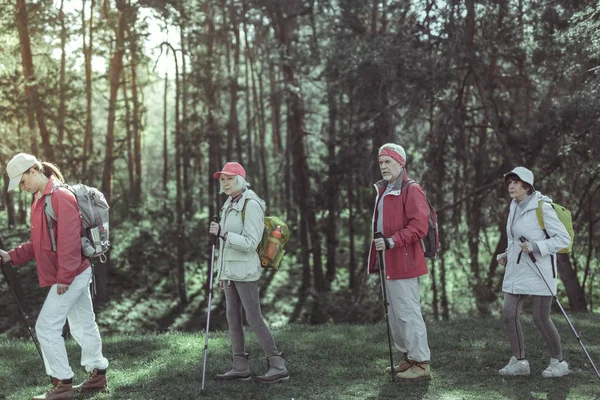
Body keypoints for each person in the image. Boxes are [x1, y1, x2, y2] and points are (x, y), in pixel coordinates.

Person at [0, 153, 109, 400]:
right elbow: (39, 243)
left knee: (46, 327)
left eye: (22, 181)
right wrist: (12, 256)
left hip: (72, 273)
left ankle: (62, 384)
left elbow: (69, 241)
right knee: (83, 325)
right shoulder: (40, 199)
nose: (22, 187)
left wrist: (64, 277)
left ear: (33, 170)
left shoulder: (60, 196)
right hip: (75, 273)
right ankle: (98, 373)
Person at [208, 162, 289, 384]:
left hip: (245, 271)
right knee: (232, 318)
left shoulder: (251, 204)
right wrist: (221, 274)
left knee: (253, 317)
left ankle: (277, 364)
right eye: (222, 179)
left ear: (241, 180)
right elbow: (225, 247)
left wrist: (223, 233)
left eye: (230, 179)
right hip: (230, 271)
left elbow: (251, 243)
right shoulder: (229, 203)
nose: (225, 183)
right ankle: (240, 366)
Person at [496, 167, 571, 378]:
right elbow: (516, 240)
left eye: (516, 182)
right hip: (517, 270)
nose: (511, 186)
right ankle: (520, 362)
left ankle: (559, 362)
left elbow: (563, 239)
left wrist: (536, 246)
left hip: (540, 270)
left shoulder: (543, 208)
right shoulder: (514, 206)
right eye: (509, 182)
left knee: (540, 317)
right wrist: (506, 254)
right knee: (509, 314)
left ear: (527, 186)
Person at [367, 143, 432, 381]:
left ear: (400, 163)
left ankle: (422, 363)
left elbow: (419, 227)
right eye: (381, 162)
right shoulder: (385, 189)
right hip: (388, 261)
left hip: (404, 261)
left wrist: (393, 241)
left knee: (408, 313)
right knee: (394, 314)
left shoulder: (411, 189)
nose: (383, 166)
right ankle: (408, 358)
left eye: (388, 161)